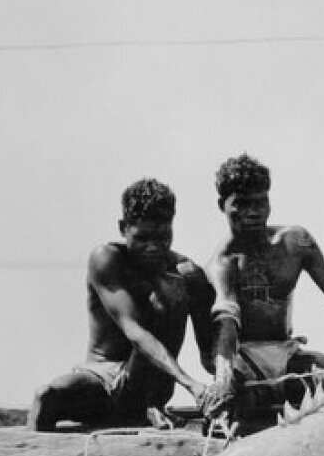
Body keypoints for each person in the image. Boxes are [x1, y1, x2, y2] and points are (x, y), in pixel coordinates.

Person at [29, 178, 216, 431]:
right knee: (46, 396)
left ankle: (151, 405)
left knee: (174, 288)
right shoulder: (107, 259)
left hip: (149, 388)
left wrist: (223, 385)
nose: (153, 247)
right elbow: (135, 331)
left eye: (162, 237)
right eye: (142, 238)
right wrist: (190, 383)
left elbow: (209, 351)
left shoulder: (187, 272)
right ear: (122, 227)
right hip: (102, 379)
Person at [203, 153, 324, 416]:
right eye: (241, 204)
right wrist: (223, 379)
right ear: (222, 205)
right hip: (243, 359)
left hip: (287, 352)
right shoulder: (222, 264)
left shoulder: (295, 243)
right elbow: (227, 323)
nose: (252, 212)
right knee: (238, 408)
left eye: (260, 202)